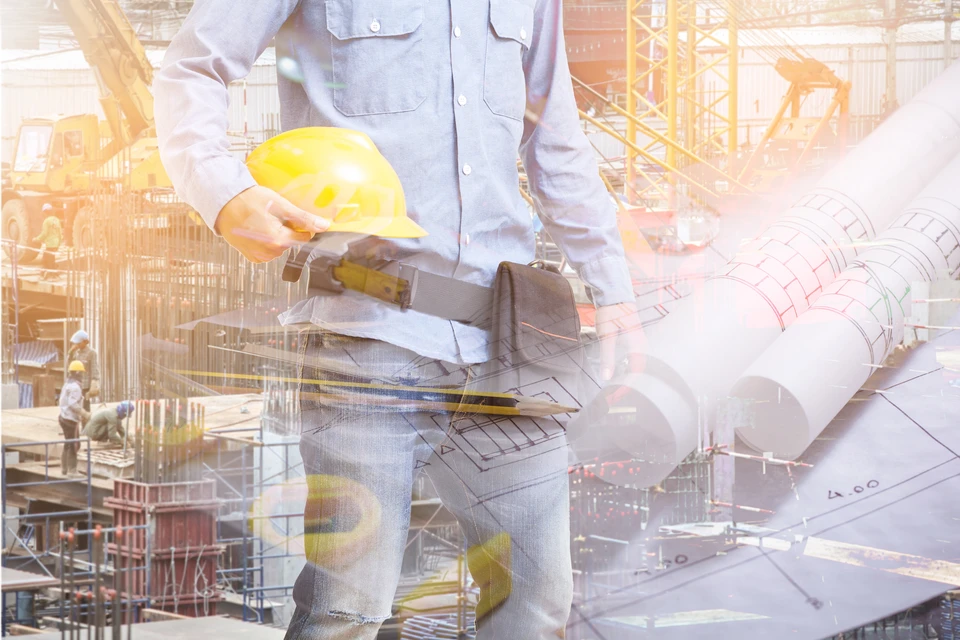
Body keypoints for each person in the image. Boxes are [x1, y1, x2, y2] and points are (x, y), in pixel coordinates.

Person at [156, 3, 646, 638]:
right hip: (368, 338)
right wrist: (223, 192)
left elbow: (554, 137)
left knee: (539, 601)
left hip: (506, 345)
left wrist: (614, 288)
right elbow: (192, 67)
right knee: (347, 610)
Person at [59, 361, 89, 477]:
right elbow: (73, 403)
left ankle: (64, 469)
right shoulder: (75, 387)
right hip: (69, 420)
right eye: (81, 373)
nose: (82, 375)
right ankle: (72, 470)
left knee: (68, 443)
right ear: (77, 373)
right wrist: (84, 413)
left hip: (63, 417)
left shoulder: (67, 384)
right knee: (73, 445)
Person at [67, 330, 99, 411]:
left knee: (85, 405)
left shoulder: (91, 352)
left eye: (79, 343)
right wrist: (70, 353)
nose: (77, 345)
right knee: (75, 405)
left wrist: (94, 382)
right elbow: (70, 365)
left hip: (85, 385)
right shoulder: (76, 352)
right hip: (76, 383)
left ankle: (86, 422)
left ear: (85, 342)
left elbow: (94, 368)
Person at [32, 204, 61, 280]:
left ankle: (51, 275)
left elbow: (44, 234)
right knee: (51, 258)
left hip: (50, 243)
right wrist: (58, 244)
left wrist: (36, 239)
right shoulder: (57, 220)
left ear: (45, 212)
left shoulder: (46, 221)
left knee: (46, 259)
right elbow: (60, 233)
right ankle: (50, 274)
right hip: (56, 242)